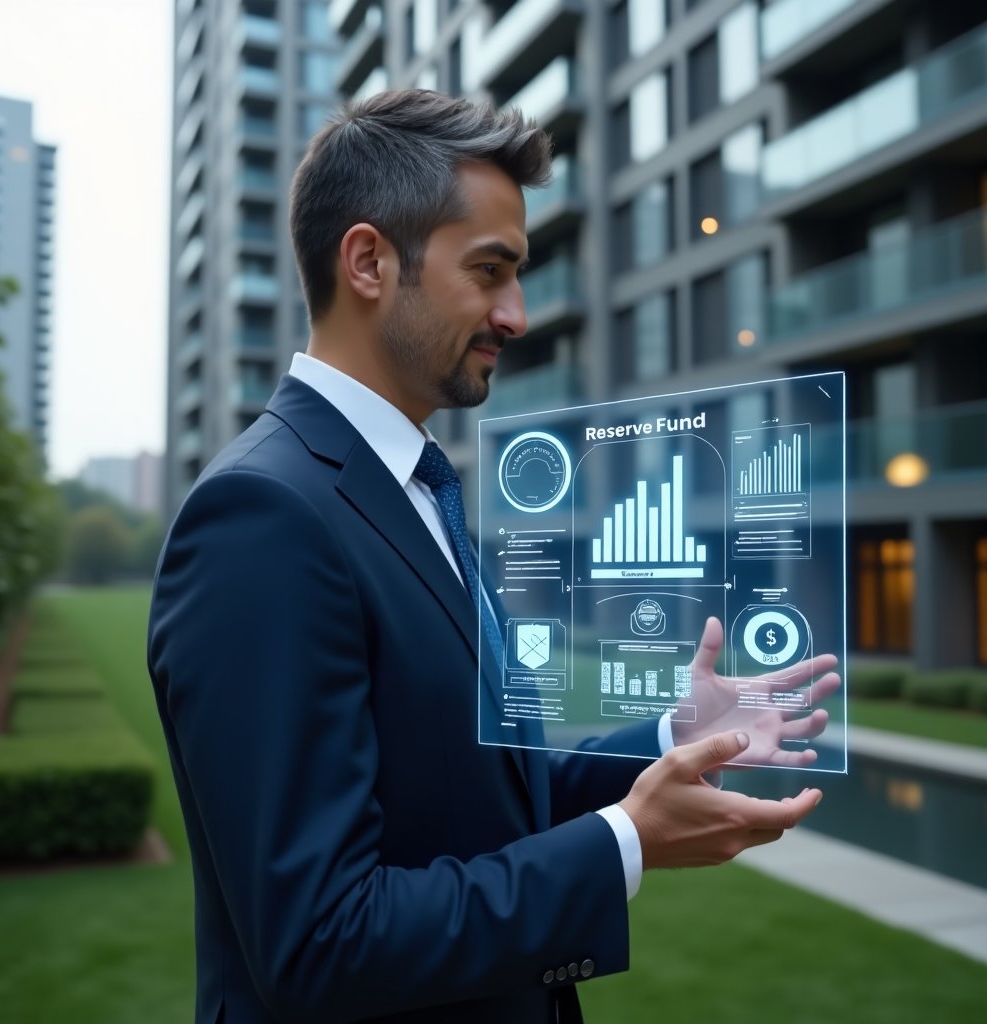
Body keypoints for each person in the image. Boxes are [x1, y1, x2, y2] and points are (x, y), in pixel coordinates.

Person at [147, 90, 837, 1024]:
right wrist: (624, 842)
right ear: (368, 262)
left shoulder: (416, 488)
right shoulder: (262, 516)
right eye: (489, 271)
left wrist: (678, 739)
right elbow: (319, 941)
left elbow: (493, 792)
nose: (515, 315)